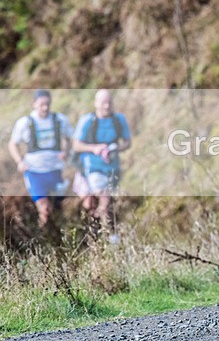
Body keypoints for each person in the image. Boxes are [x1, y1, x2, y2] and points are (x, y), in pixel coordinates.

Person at [8, 89, 73, 227]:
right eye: (42, 104)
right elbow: (13, 144)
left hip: (55, 170)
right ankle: (43, 237)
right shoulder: (25, 122)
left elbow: (69, 138)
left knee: (58, 207)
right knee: (44, 208)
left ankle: (61, 237)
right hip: (34, 172)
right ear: (34, 104)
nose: (45, 107)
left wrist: (65, 152)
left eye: (47, 104)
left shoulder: (59, 120)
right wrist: (19, 162)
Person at [71, 89, 131, 235]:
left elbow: (127, 142)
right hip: (92, 167)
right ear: (96, 103)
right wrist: (94, 148)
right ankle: (111, 237)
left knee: (99, 205)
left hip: (113, 168)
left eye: (109, 103)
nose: (106, 106)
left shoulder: (119, 120)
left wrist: (115, 147)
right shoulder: (87, 121)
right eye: (103, 103)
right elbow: (76, 145)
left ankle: (94, 235)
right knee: (104, 199)